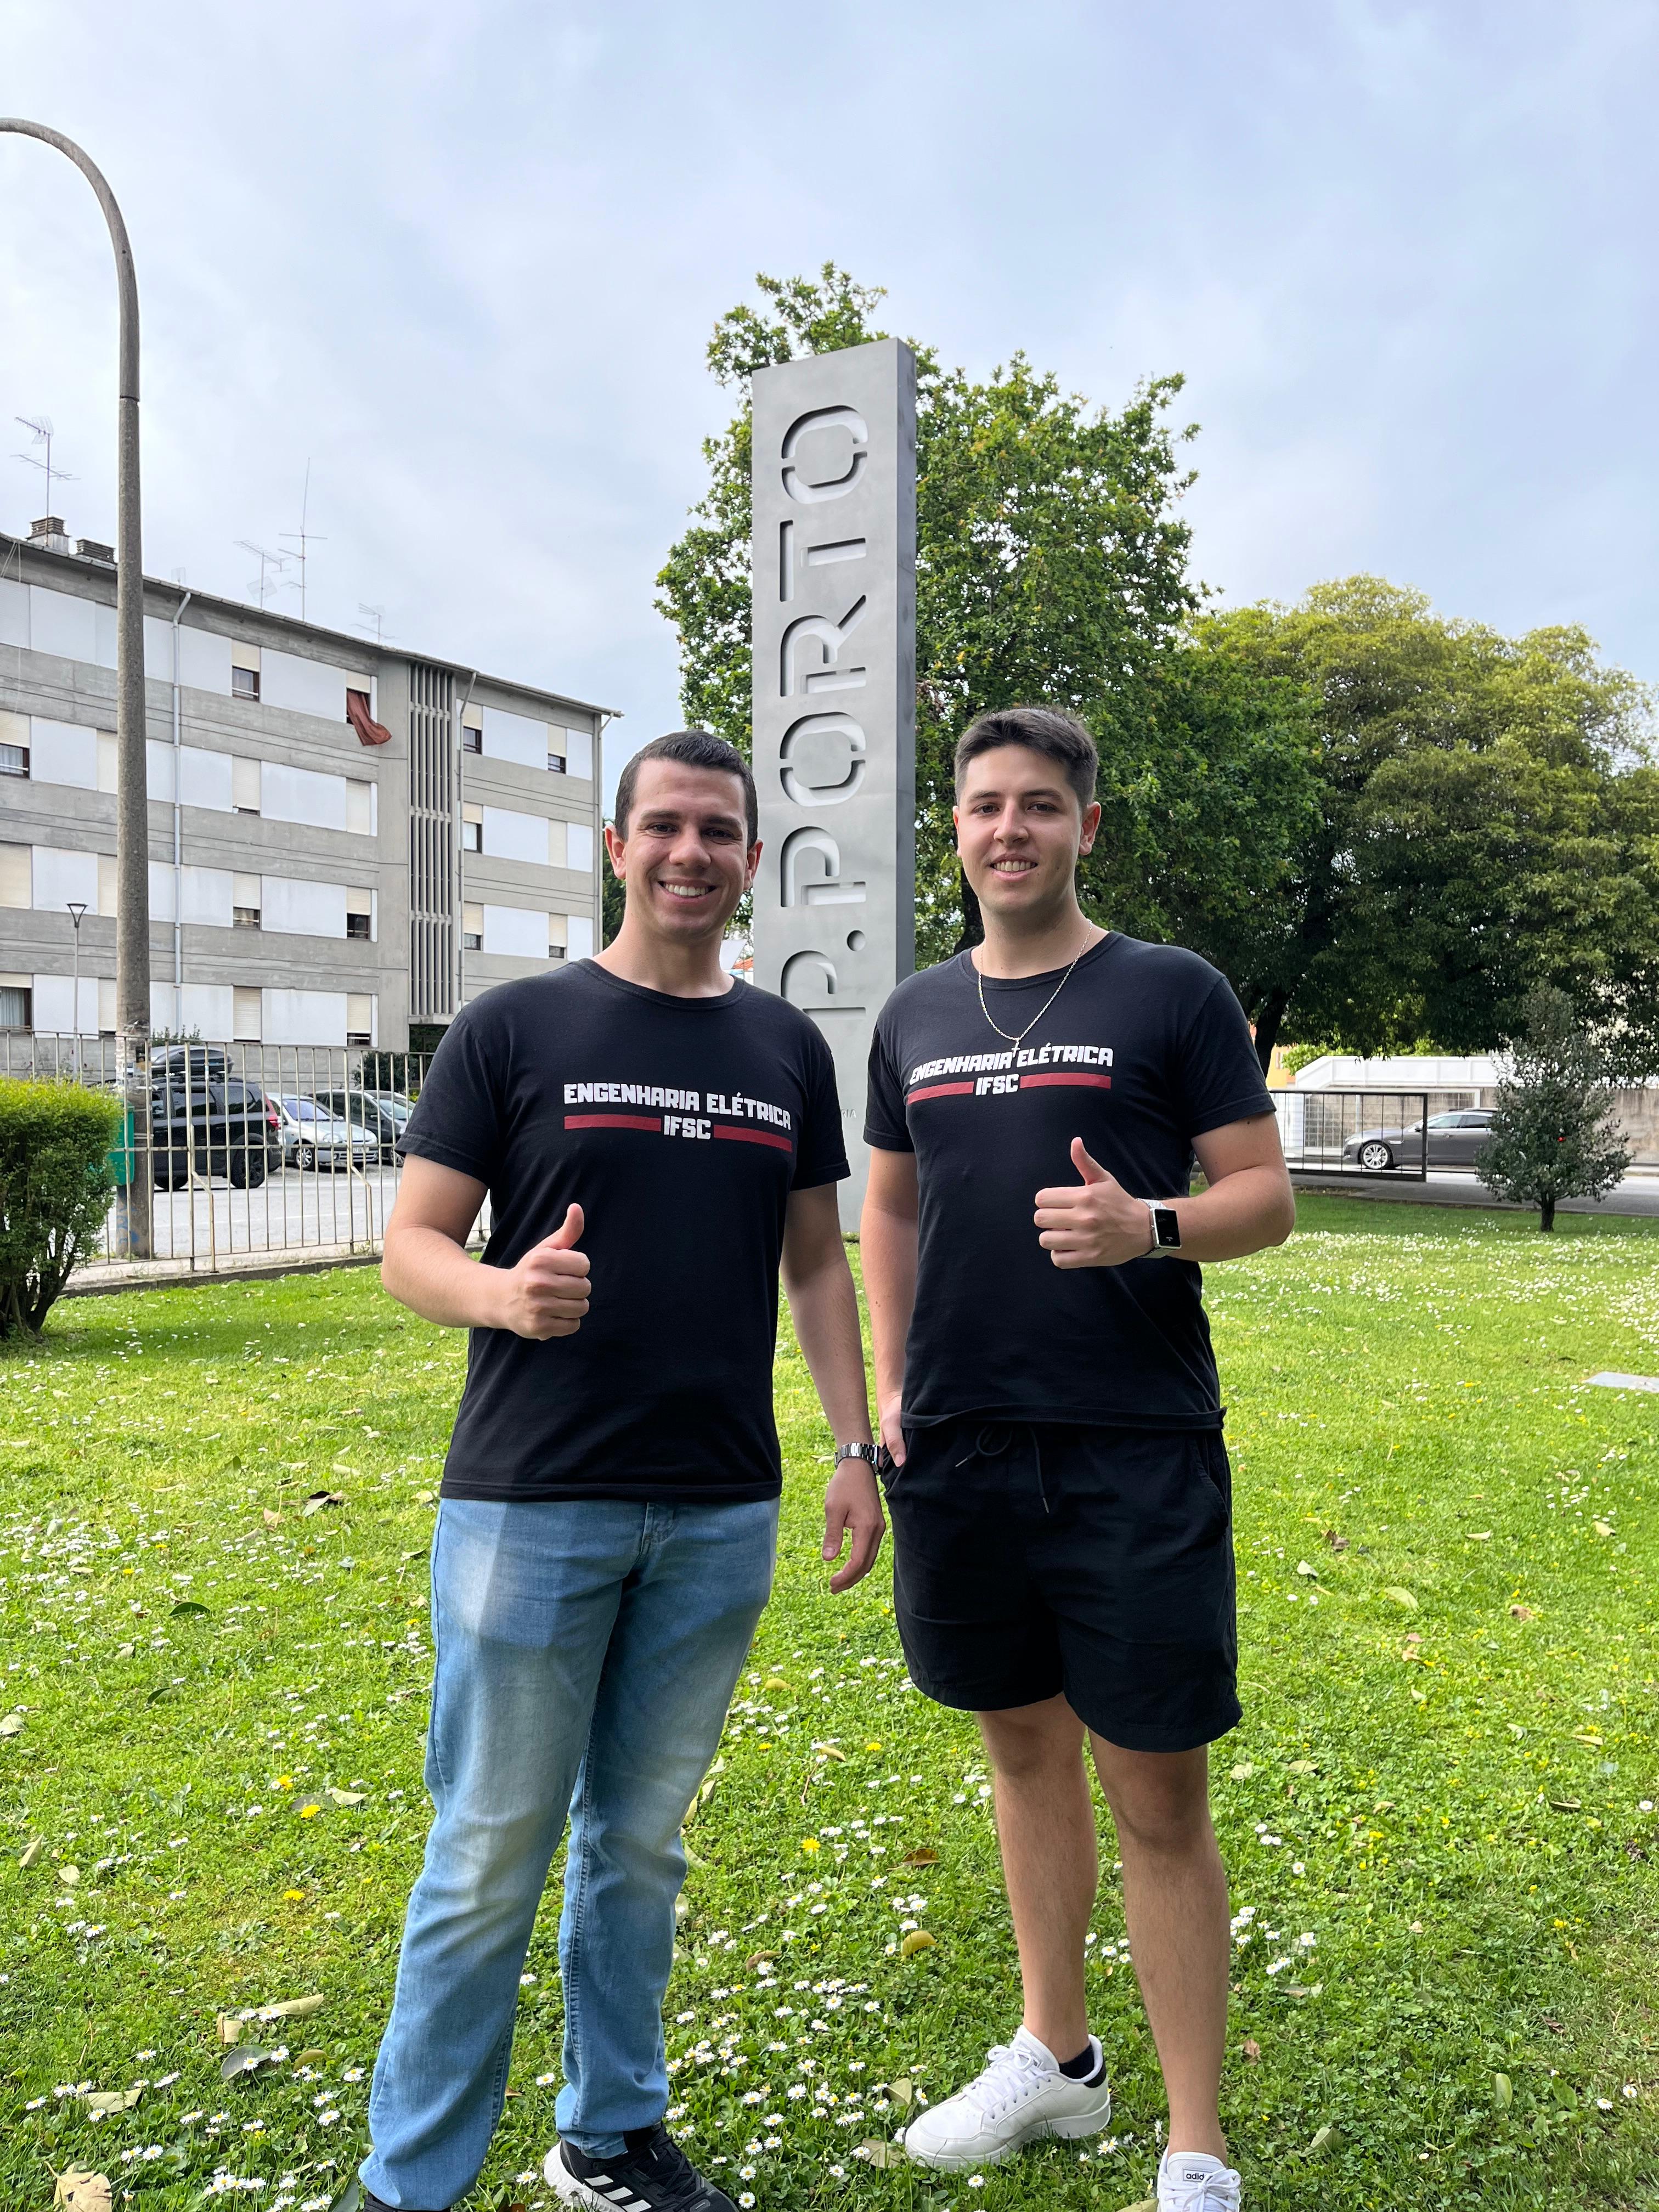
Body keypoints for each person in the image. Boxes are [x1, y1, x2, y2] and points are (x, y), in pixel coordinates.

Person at [359, 730, 885, 2212]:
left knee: (639, 1846)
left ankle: (608, 2135)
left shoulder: (784, 1049)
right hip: (534, 1503)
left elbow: (817, 1268)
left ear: (752, 860)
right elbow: (409, 1245)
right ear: (616, 846)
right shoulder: (516, 1028)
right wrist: (500, 1295)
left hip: (720, 1509)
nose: (691, 855)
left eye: (720, 832)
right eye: (664, 827)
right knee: (485, 1860)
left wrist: (854, 1450)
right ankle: (410, 2186)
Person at [860, 706, 1294, 2212]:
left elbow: (1268, 1197)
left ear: (1086, 826)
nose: (1009, 829)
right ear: (959, 830)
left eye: (1040, 805)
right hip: (965, 1454)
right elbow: (895, 1208)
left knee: (1157, 1792)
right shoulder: (913, 1013)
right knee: (1020, 1748)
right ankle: (1057, 2062)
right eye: (985, 806)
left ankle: (1195, 2144)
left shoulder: (1172, 993)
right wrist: (898, 1378)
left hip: (1134, 1448)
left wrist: (1150, 1227)